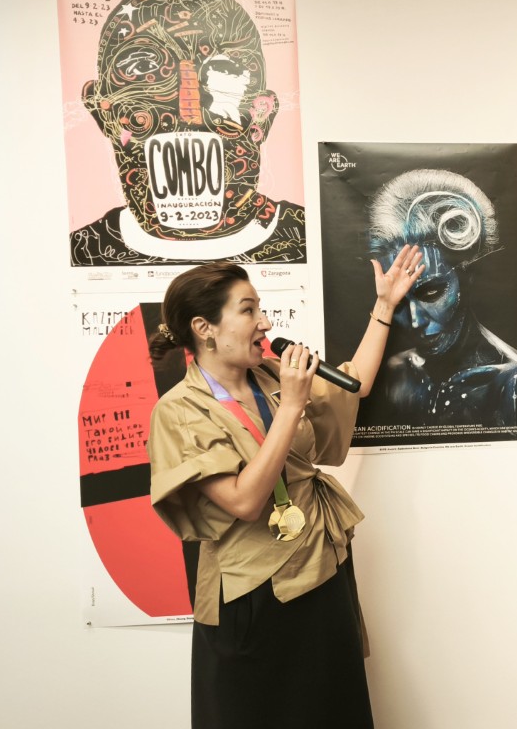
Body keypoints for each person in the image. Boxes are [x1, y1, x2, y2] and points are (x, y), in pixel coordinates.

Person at [146, 245, 423, 727]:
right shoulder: (178, 410)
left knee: (334, 711)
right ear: (204, 328)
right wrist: (292, 406)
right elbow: (245, 500)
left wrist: (384, 305)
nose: (265, 322)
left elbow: (353, 383)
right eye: (248, 310)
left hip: (321, 570)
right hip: (253, 596)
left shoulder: (271, 376)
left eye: (261, 308)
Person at [71, 0, 304, 266]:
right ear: (101, 111)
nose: (188, 111)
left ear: (263, 113)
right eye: (142, 66)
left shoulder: (306, 240)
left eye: (225, 69)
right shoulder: (83, 251)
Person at [368, 168, 517, 429]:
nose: (416, 321)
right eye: (398, 302)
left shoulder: (513, 380)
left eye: (431, 292)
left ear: (468, 275)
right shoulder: (397, 371)